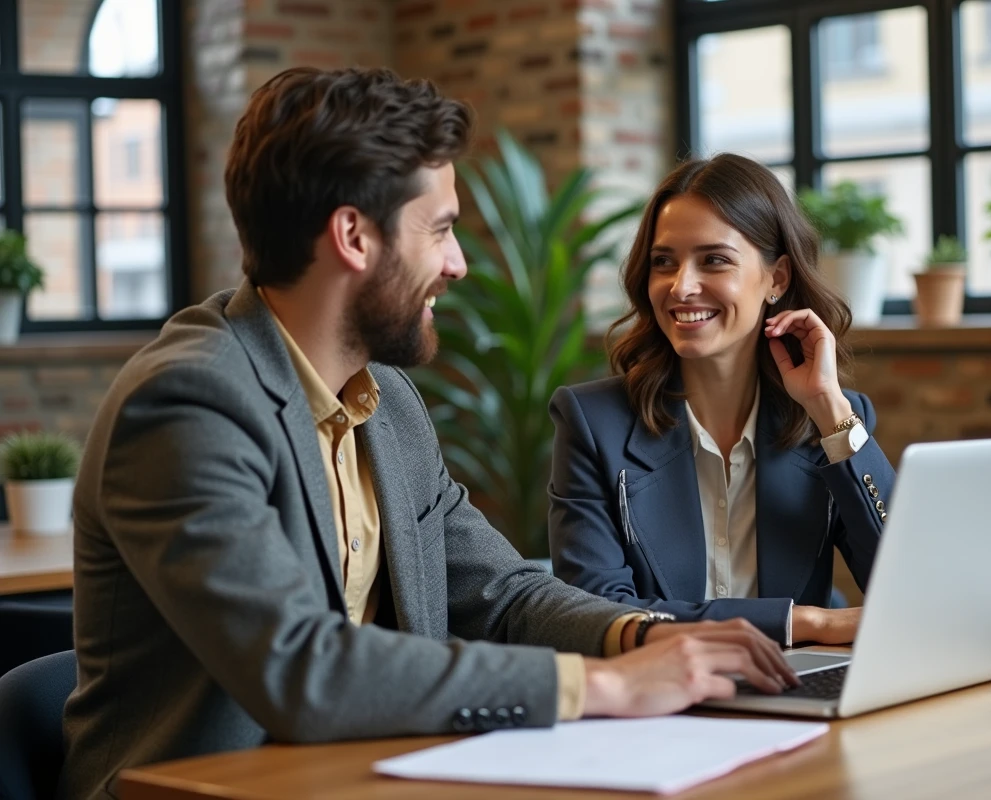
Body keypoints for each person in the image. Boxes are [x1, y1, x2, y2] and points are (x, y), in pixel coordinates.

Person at [58, 69, 798, 800]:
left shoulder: (390, 406)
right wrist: (602, 684)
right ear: (353, 235)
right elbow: (300, 668)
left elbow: (503, 596)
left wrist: (641, 638)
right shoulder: (190, 401)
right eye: (440, 229)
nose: (458, 264)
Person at [548, 154, 897, 648]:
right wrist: (806, 623)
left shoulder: (834, 421)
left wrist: (829, 408)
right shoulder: (592, 423)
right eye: (663, 261)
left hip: (795, 689)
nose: (681, 286)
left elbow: (903, 583)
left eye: (713, 260)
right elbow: (595, 611)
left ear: (776, 279)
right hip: (657, 701)